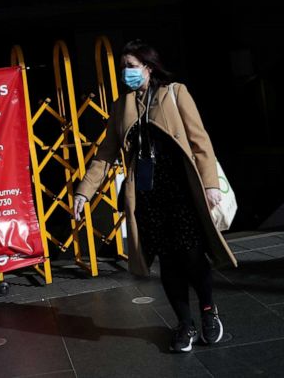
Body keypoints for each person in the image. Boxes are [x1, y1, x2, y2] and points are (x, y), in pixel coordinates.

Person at [73, 40, 237, 353]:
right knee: (169, 262)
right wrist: (84, 191)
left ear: (148, 68)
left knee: (191, 254)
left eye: (132, 67)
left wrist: (211, 184)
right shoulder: (122, 106)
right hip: (148, 194)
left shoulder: (175, 93)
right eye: (124, 68)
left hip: (182, 189)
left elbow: (200, 140)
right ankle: (184, 324)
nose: (126, 73)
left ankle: (207, 311)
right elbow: (106, 154)